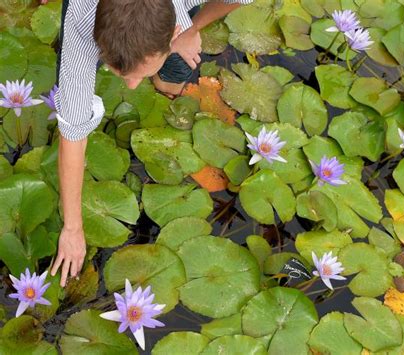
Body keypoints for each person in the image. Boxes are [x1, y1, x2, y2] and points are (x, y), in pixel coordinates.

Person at [49, 0, 252, 287]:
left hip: (179, 26)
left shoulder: (180, 22)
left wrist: (194, 28)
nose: (131, 86)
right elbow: (72, 136)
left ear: (172, 33)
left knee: (176, 72)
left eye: (139, 74)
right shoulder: (80, 29)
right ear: (97, 42)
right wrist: (72, 228)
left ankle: (166, 82)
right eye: (121, 74)